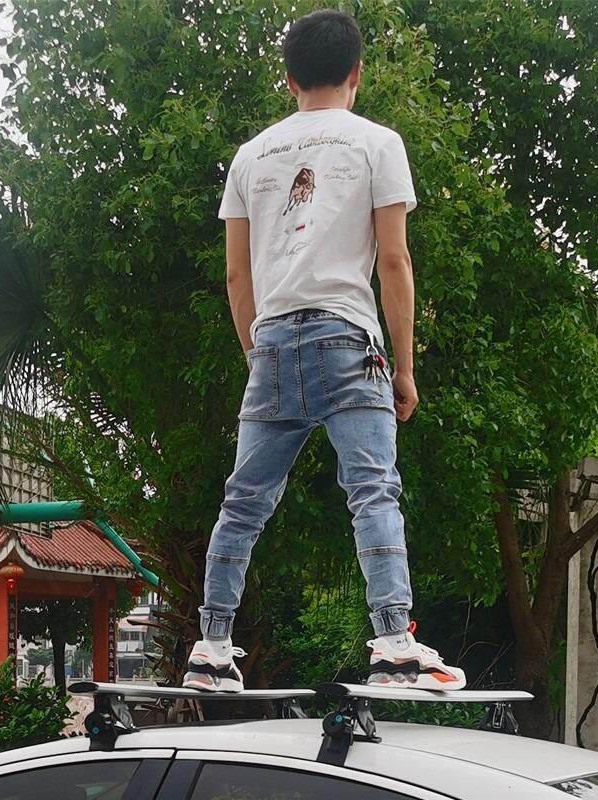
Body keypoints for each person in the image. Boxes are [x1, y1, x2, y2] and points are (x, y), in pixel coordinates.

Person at [182, 8, 466, 693]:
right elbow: (393, 262)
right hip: (348, 339)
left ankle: (211, 650)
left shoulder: (251, 156)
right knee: (372, 491)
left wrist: (260, 355)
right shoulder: (378, 144)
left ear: (289, 79)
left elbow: (237, 276)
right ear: (356, 73)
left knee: (243, 504)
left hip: (273, 341)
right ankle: (394, 644)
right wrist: (405, 369)